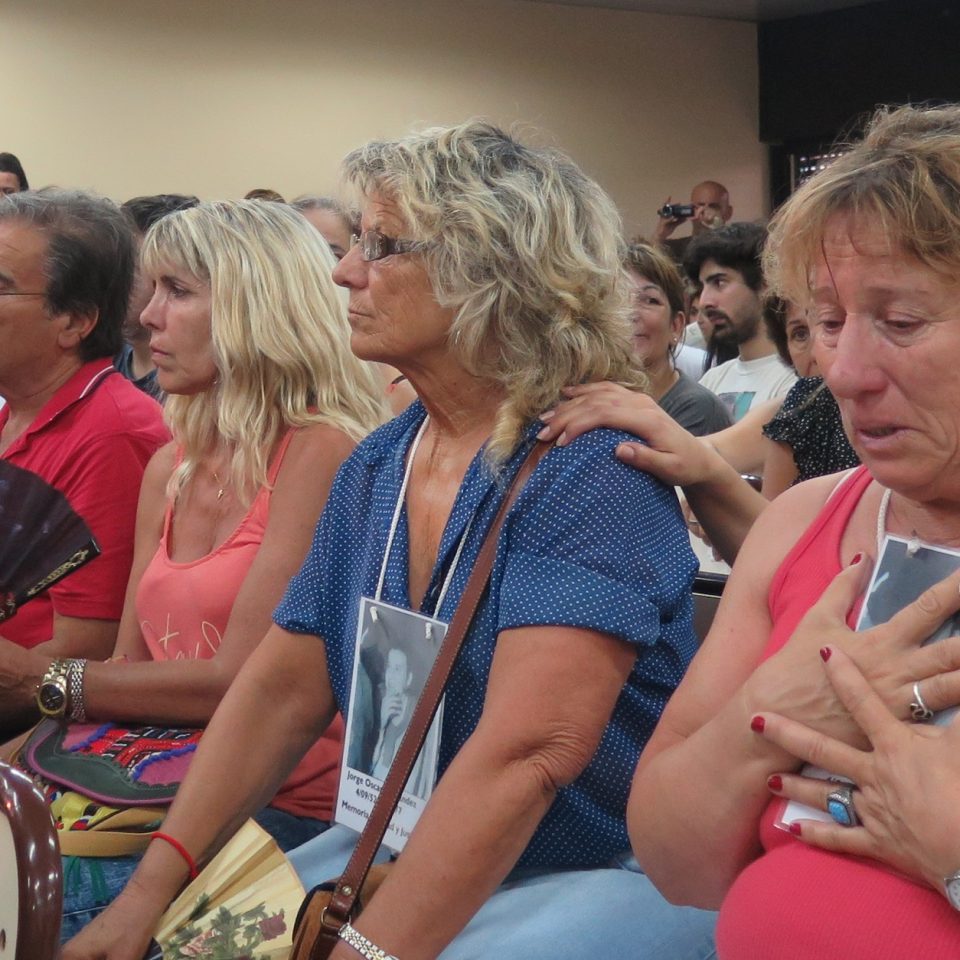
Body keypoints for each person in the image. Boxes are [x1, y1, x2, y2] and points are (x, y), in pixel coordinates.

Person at [64, 120, 717, 960]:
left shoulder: (588, 467)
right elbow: (279, 692)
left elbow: (528, 756)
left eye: (380, 245)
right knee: (170, 944)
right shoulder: (382, 461)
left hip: (592, 872)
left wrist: (368, 952)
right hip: (397, 841)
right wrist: (149, 897)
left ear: (490, 271)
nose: (344, 270)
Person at [619, 103, 960, 959]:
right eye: (828, 322)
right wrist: (770, 714)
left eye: (902, 322)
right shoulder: (807, 521)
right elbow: (675, 863)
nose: (843, 372)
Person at [10, 198, 384, 939]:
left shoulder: (322, 451)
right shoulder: (173, 464)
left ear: (256, 308)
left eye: (177, 291)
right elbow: (129, 669)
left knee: (49, 904)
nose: (147, 317)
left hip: (276, 803)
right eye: (151, 290)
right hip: (144, 774)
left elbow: (236, 683)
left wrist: (43, 681)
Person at [0, 190, 168, 732]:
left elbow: (86, 652)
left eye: (1, 286)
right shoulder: (14, 411)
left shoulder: (113, 432)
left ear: (74, 321)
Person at [690, 223, 796, 421]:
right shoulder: (712, 379)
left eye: (719, 283)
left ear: (765, 284)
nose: (704, 301)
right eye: (702, 287)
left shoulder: (795, 378)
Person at [626, 242, 730, 435]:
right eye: (617, 299)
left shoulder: (698, 408)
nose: (631, 313)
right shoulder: (586, 397)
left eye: (650, 300)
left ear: (676, 326)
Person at [114, 194, 200, 402]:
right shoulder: (101, 364)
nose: (112, 282)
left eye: (129, 270)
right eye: (111, 266)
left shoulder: (194, 388)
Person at [654, 180, 733, 263]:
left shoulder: (738, 246)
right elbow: (649, 265)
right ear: (690, 209)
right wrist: (659, 234)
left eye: (713, 207)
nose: (704, 211)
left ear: (728, 212)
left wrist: (717, 231)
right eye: (699, 206)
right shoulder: (676, 248)